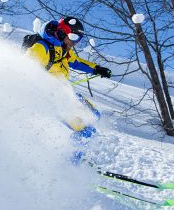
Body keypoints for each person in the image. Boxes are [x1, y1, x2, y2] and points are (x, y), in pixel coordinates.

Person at [25, 17, 111, 163]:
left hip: (63, 93)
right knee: (86, 131)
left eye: (79, 39)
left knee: (94, 114)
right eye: (73, 37)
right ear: (62, 31)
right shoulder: (42, 47)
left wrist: (97, 69)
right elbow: (24, 68)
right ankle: (69, 165)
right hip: (51, 98)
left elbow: (76, 62)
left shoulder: (63, 48)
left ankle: (75, 151)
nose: (75, 42)